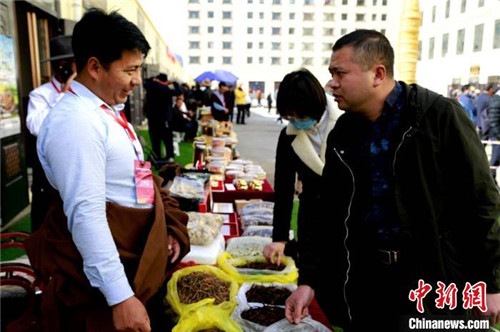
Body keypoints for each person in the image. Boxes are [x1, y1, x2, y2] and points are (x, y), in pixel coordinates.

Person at [285, 29, 500, 331]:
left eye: (340, 73)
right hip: (365, 283)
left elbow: (483, 203)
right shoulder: (344, 133)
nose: (331, 83)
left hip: (433, 282)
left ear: (378, 73)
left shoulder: (438, 117)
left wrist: (490, 283)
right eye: (331, 73)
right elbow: (327, 214)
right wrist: (309, 279)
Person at [24, 8, 190, 332]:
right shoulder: (77, 122)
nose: (138, 80)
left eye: (139, 68)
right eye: (131, 69)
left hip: (136, 260)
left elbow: (135, 178)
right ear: (95, 67)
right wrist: (119, 297)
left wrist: (163, 225)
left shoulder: (107, 110)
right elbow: (86, 213)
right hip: (103, 286)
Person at [263, 68, 342, 270]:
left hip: (347, 219)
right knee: (309, 272)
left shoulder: (345, 121)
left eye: (301, 116)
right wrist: (280, 238)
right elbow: (284, 188)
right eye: (290, 118)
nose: (297, 122)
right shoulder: (288, 136)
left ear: (316, 105)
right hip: (310, 216)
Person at [25, 35, 77, 232]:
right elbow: (35, 126)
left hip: (74, 167)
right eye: (74, 64)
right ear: (63, 66)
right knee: (46, 225)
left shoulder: (85, 93)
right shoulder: (41, 94)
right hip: (48, 175)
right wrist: (62, 96)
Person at [143, 73, 182, 162]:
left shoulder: (151, 86)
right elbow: (179, 92)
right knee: (167, 139)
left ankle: (157, 156)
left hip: (152, 118)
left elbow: (145, 81)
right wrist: (174, 83)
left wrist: (153, 79)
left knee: (155, 139)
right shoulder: (165, 89)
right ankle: (169, 156)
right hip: (164, 119)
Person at [488, 87, 500, 185]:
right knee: (495, 160)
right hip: (497, 137)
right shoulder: (497, 101)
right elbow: (492, 121)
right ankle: (490, 182)